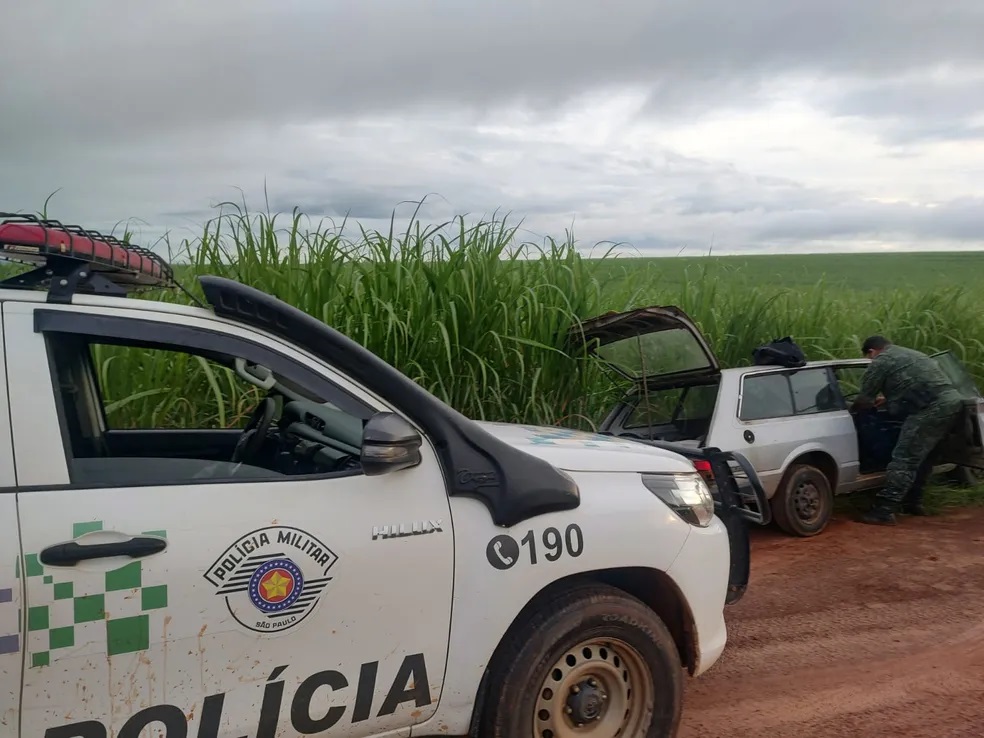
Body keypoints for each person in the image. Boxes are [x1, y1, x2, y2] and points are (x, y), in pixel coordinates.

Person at [849, 335, 963, 525]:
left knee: (904, 458)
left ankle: (884, 510)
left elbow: (864, 399)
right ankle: (913, 502)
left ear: (871, 352)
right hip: (952, 403)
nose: (870, 361)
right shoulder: (912, 354)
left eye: (869, 358)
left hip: (929, 409)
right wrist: (888, 399)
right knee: (925, 457)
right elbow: (919, 382)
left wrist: (851, 409)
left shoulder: (881, 361)